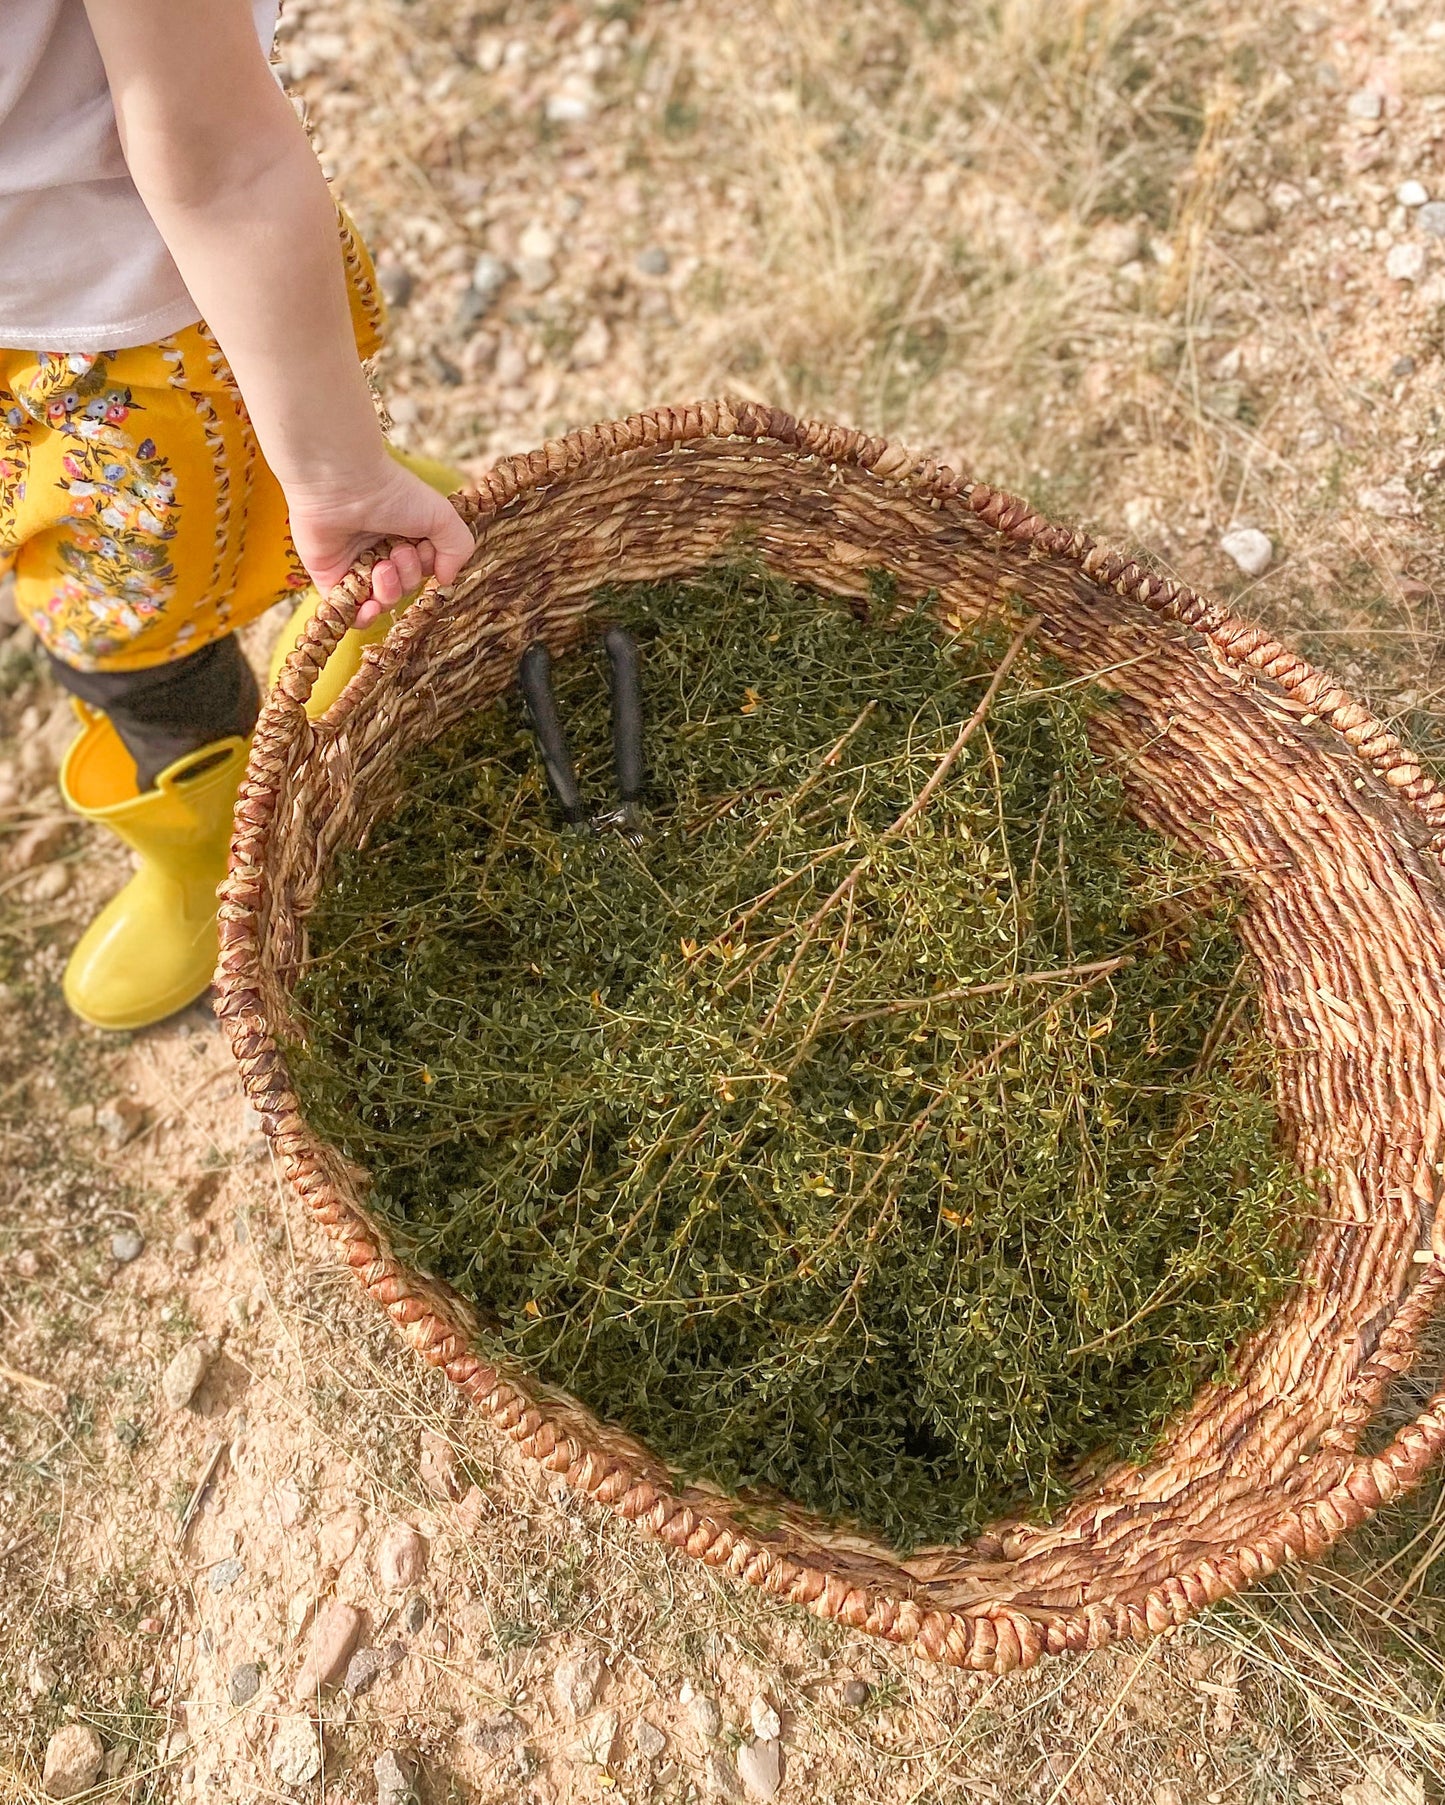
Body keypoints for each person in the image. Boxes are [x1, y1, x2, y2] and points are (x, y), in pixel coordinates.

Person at [0, 0, 475, 1031]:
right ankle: (399, 519)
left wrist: (335, 466)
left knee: (120, 641)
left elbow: (220, 153)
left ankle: (217, 858)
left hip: (136, 352)